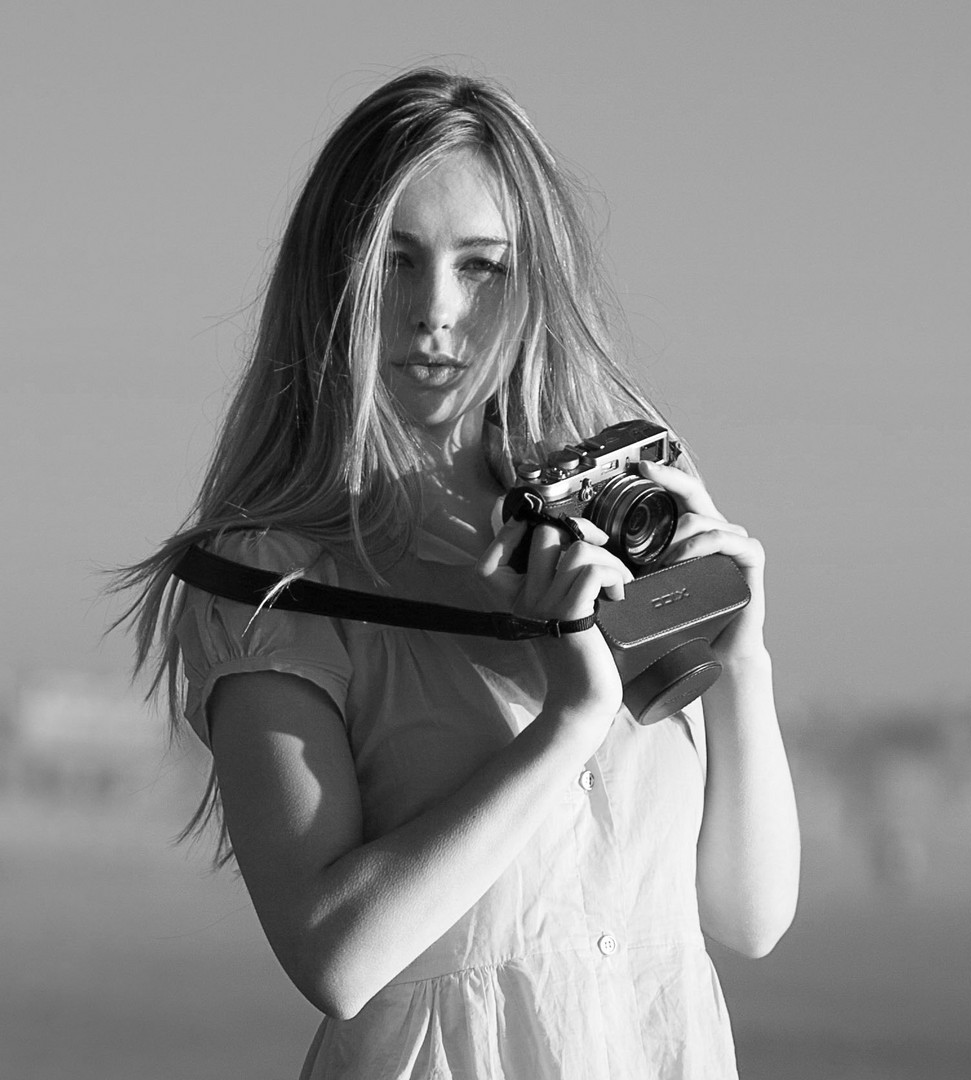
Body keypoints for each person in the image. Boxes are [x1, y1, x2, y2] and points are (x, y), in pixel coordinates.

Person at [116, 67, 799, 1079]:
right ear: (330, 280)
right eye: (395, 261)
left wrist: (740, 664)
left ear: (534, 284)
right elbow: (337, 957)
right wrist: (568, 722)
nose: (436, 311)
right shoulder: (272, 579)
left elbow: (746, 922)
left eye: (481, 266)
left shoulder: (615, 508)